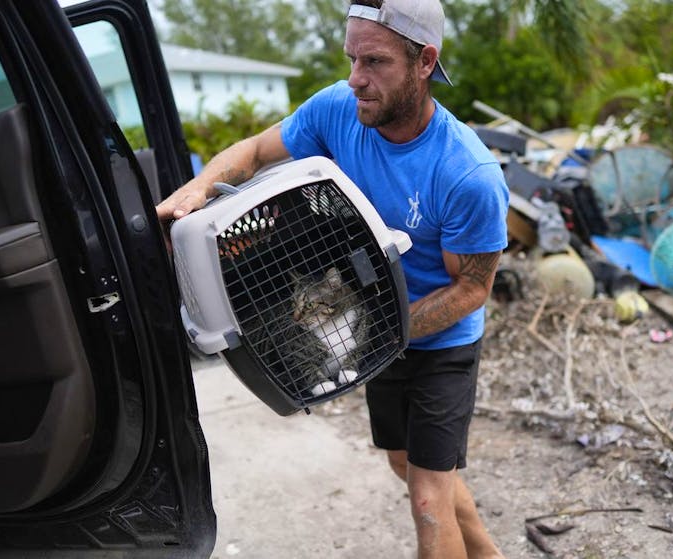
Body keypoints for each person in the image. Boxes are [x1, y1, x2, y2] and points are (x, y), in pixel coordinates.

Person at [157, 0, 509, 557]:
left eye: (375, 62)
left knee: (427, 498)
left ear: (424, 62)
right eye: (352, 59)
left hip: (441, 343)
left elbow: (472, 289)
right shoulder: (338, 110)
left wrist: (381, 335)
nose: (356, 79)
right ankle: (488, 553)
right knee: (407, 462)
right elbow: (255, 151)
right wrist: (195, 192)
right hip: (376, 328)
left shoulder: (468, 174)